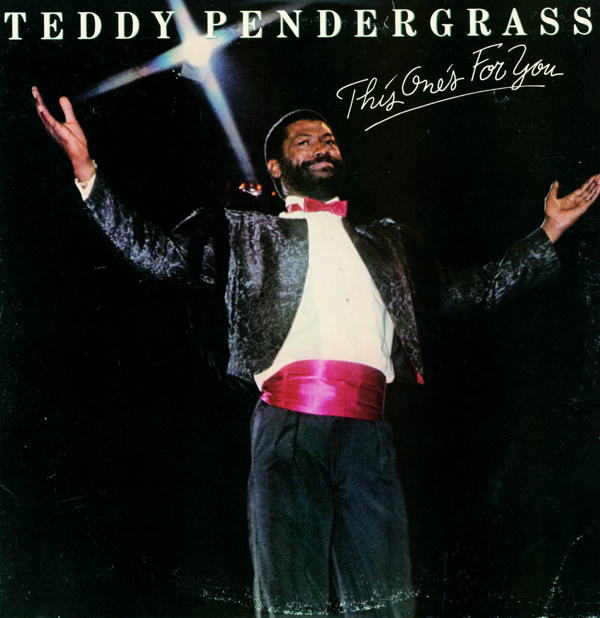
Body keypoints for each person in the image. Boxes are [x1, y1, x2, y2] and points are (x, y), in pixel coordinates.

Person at [32, 87, 600, 618]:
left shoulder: (389, 243)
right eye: (304, 142)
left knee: (387, 602)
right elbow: (157, 256)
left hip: (370, 438)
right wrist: (87, 172)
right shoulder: (244, 234)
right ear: (276, 168)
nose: (323, 147)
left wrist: (548, 232)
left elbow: (470, 291)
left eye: (329, 140)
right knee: (291, 600)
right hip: (289, 428)